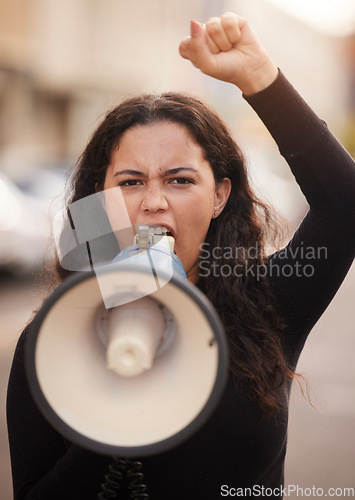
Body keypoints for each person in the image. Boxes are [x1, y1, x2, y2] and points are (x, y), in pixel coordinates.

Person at [7, 12, 355, 500]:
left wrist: (260, 81)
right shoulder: (50, 341)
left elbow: (345, 205)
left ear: (219, 197)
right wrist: (110, 423)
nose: (154, 201)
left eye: (180, 179)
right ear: (99, 203)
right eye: (130, 182)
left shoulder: (267, 307)